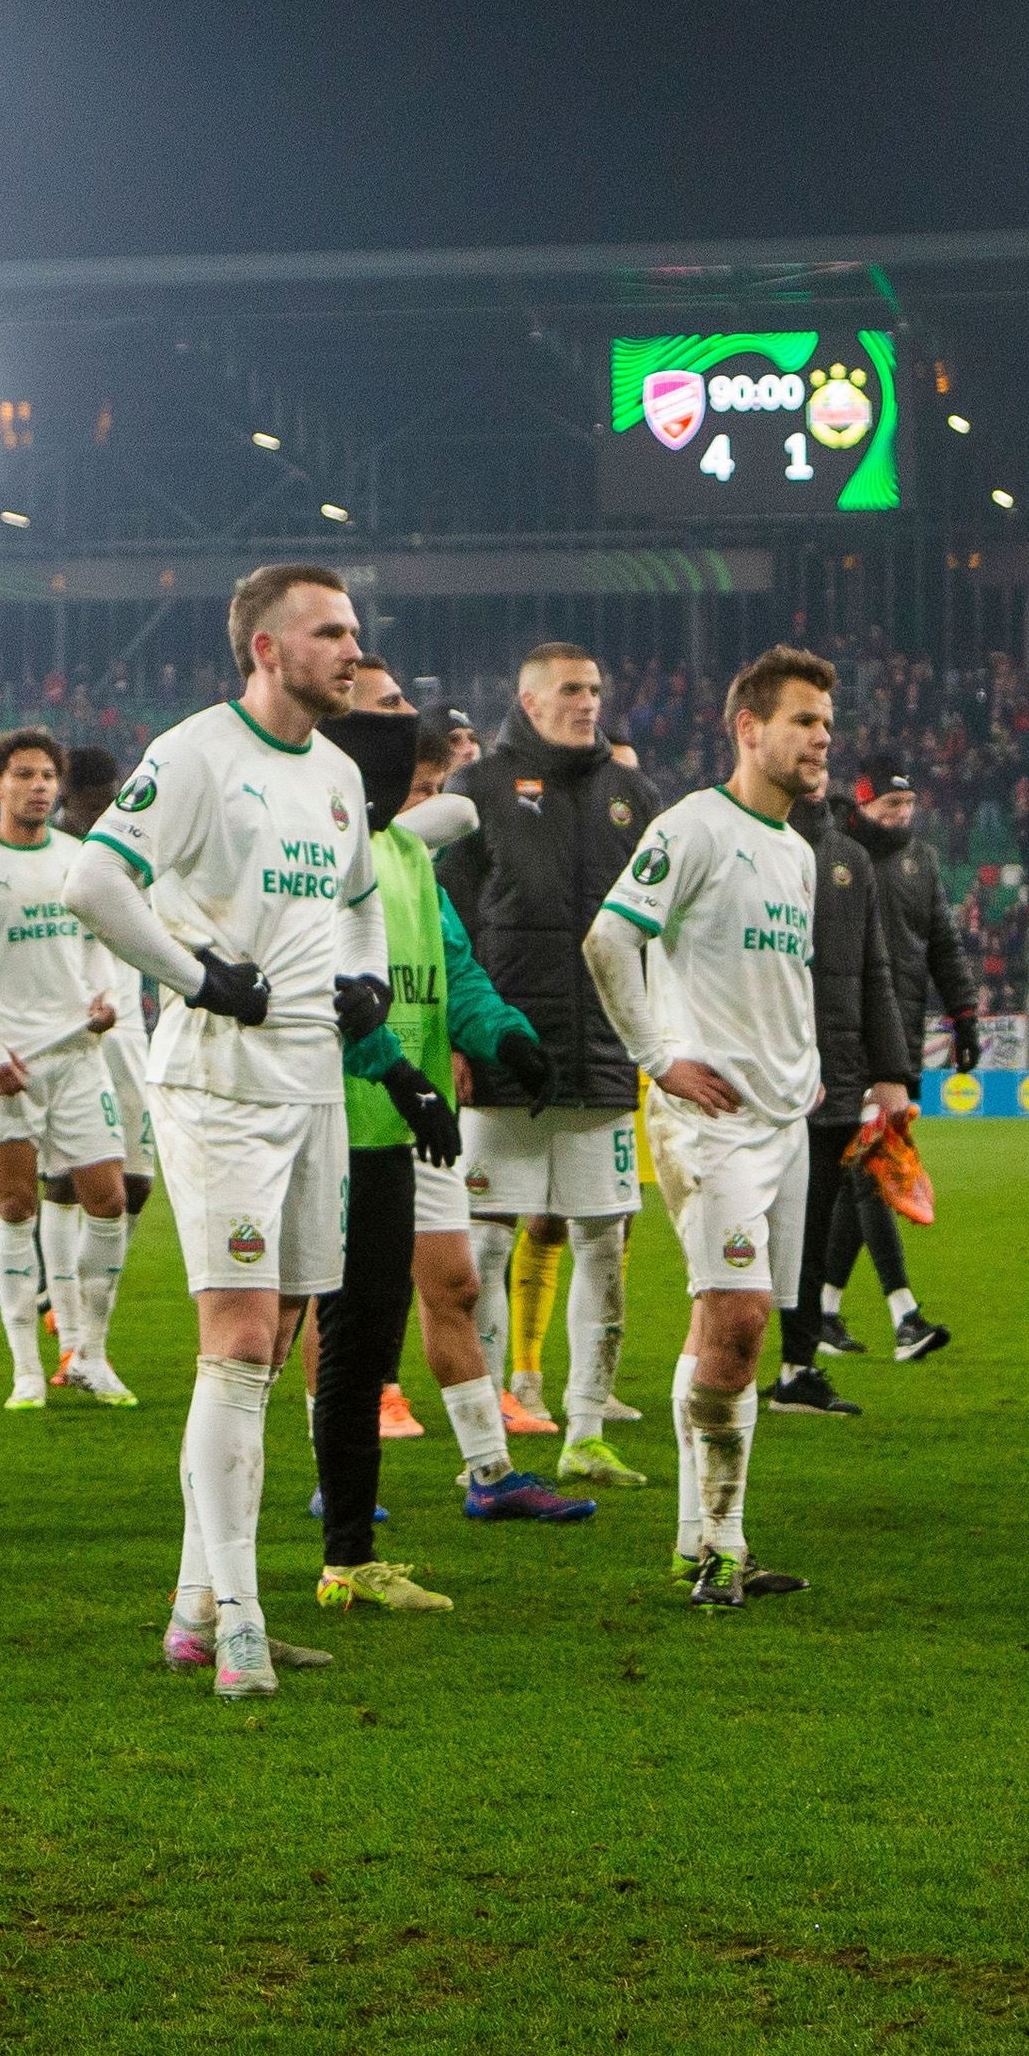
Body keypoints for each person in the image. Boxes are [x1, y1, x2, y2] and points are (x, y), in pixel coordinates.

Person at [62, 562, 384, 1696]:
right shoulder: (196, 754)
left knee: (279, 1335)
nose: (353, 648)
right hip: (217, 1084)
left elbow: (359, 900)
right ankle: (242, 1624)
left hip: (312, 1084)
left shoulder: (339, 774)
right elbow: (95, 883)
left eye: (354, 630)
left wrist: (366, 979)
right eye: (329, 631)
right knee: (240, 1342)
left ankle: (196, 1611)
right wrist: (194, 976)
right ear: (266, 648)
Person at [587, 646, 890, 1609]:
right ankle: (721, 1547)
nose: (822, 740)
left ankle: (704, 1545)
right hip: (707, 1120)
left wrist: (804, 1068)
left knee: (733, 1329)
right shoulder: (694, 827)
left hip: (782, 1120)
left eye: (828, 725)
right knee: (741, 1317)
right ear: (749, 728)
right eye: (804, 721)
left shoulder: (798, 851)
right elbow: (608, 938)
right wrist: (658, 1056)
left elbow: (780, 975)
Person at [309, 686, 584, 1615]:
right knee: (311, 1322)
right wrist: (395, 1073)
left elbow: (452, 969)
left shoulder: (404, 857)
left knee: (444, 1289)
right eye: (407, 774)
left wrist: (506, 1034)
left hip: (415, 1115)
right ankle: (329, 1492)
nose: (419, 788)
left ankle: (485, 1472)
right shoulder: (327, 858)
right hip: (343, 1116)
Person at [437, 641, 663, 1488]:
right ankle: (489, 1439)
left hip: (603, 1056)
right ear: (529, 701)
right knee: (486, 1246)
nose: (588, 701)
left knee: (605, 1243)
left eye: (595, 688)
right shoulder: (477, 788)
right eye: (571, 689)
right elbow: (447, 920)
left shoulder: (632, 794)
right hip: (507, 1055)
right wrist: (459, 1039)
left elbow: (656, 930)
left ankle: (586, 1430)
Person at [0, 728, 137, 1410]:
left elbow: (100, 942)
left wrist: (103, 996)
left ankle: (89, 1353)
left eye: (47, 775)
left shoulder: (77, 859)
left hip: (77, 1057)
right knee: (14, 1208)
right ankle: (26, 1371)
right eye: (24, 774)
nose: (38, 786)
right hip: (7, 1065)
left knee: (109, 1200)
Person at [768, 785, 907, 1420]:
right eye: (806, 736)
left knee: (812, 1231)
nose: (819, 744)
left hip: (833, 1078)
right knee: (740, 1230)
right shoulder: (738, 838)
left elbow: (875, 969)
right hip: (753, 1078)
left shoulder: (848, 857)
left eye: (825, 739)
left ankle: (796, 1369)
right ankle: (721, 1363)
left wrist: (891, 1072)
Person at [831, 764, 976, 1361]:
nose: (903, 814)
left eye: (909, 803)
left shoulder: (922, 862)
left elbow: (942, 942)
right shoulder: (835, 855)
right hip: (849, 1037)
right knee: (871, 1168)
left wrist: (964, 1013)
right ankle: (904, 1315)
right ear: (863, 804)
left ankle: (822, 1312)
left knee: (855, 1176)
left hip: (900, 1038)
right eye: (892, 804)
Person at [53, 745, 152, 1394]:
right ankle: (77, 1341)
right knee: (69, 1186)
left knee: (136, 1184)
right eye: (92, 799)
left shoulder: (132, 849)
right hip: (69, 1033)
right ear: (71, 800)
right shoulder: (52, 858)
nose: (102, 808)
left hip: (130, 1029)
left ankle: (86, 1332)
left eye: (108, 796)